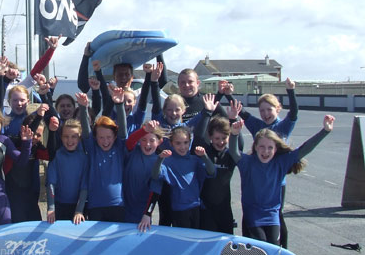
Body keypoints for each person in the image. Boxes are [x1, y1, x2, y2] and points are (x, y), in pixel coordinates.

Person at [228, 115, 335, 245]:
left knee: (274, 244)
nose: (265, 151)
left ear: (276, 149)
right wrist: (234, 134)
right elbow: (234, 152)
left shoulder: (280, 163)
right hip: (253, 214)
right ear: (255, 147)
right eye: (261, 146)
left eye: (270, 147)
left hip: (272, 215)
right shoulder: (248, 163)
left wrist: (325, 131)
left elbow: (304, 149)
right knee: (261, 244)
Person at [139, 126, 215, 230]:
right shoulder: (168, 161)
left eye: (185, 142)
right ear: (171, 144)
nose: (182, 147)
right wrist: (160, 159)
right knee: (183, 239)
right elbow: (155, 175)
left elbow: (211, 171)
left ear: (190, 142)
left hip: (196, 206)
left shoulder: (194, 160)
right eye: (178, 143)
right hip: (179, 209)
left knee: (195, 238)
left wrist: (204, 156)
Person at [77, 87, 128, 222]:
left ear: (114, 137)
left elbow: (123, 131)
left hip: (117, 204)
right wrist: (83, 108)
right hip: (95, 206)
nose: (105, 141)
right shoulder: (93, 150)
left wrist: (119, 104)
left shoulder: (118, 148)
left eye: (109, 137)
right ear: (95, 138)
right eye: (101, 137)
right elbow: (86, 131)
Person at [195, 95, 241, 234]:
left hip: (224, 210)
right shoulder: (205, 151)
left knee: (224, 248)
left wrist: (233, 120)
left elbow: (239, 143)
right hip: (205, 210)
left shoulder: (230, 155)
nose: (220, 142)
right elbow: (198, 137)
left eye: (224, 138)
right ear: (210, 137)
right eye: (216, 138)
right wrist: (208, 112)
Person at [46, 119, 89, 224]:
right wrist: (51, 207)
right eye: (66, 136)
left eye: (74, 136)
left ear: (79, 138)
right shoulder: (57, 156)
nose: (70, 141)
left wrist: (79, 210)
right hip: (59, 206)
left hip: (78, 207)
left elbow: (84, 187)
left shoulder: (84, 158)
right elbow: (51, 183)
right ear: (61, 137)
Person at [123, 120, 167, 223]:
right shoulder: (133, 152)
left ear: (159, 142)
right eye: (143, 140)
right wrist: (144, 130)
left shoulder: (159, 162)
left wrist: (147, 214)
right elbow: (130, 141)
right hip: (123, 209)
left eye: (152, 140)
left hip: (142, 216)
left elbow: (155, 192)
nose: (147, 144)